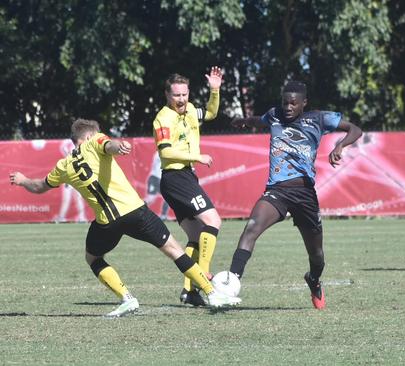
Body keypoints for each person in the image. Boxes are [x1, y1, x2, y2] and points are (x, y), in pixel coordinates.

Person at [9, 119, 239, 317]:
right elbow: (108, 144)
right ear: (88, 135)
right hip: (136, 211)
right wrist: (117, 147)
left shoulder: (63, 165)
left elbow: (39, 186)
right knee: (174, 250)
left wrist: (22, 179)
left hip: (107, 223)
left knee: (93, 259)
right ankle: (211, 293)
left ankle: (127, 297)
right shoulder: (95, 140)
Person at [227, 81, 362, 309]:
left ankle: (313, 279)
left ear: (303, 104)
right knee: (251, 227)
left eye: (293, 103)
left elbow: (355, 129)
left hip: (305, 194)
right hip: (277, 190)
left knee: (317, 256)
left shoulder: (318, 118)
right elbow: (257, 120)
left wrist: (339, 146)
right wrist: (242, 121)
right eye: (285, 102)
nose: (288, 107)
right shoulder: (274, 115)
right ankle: (230, 283)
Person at [152, 66, 224, 306]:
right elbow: (167, 151)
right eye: (176, 95)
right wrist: (197, 157)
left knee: (195, 236)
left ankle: (189, 291)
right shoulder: (163, 118)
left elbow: (212, 113)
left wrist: (215, 90)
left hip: (185, 178)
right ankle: (203, 275)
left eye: (184, 94)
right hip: (175, 178)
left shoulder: (192, 110)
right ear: (167, 96)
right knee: (213, 221)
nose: (181, 99)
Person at [54, 139, 87, 223]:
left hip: (77, 176)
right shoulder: (68, 143)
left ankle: (81, 217)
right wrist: (66, 153)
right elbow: (62, 148)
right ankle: (61, 217)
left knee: (78, 198)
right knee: (67, 199)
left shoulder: (81, 145)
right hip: (68, 177)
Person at [143, 153, 170, 220]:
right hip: (155, 178)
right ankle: (137, 209)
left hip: (160, 179)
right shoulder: (159, 153)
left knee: (168, 197)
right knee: (150, 199)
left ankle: (163, 215)